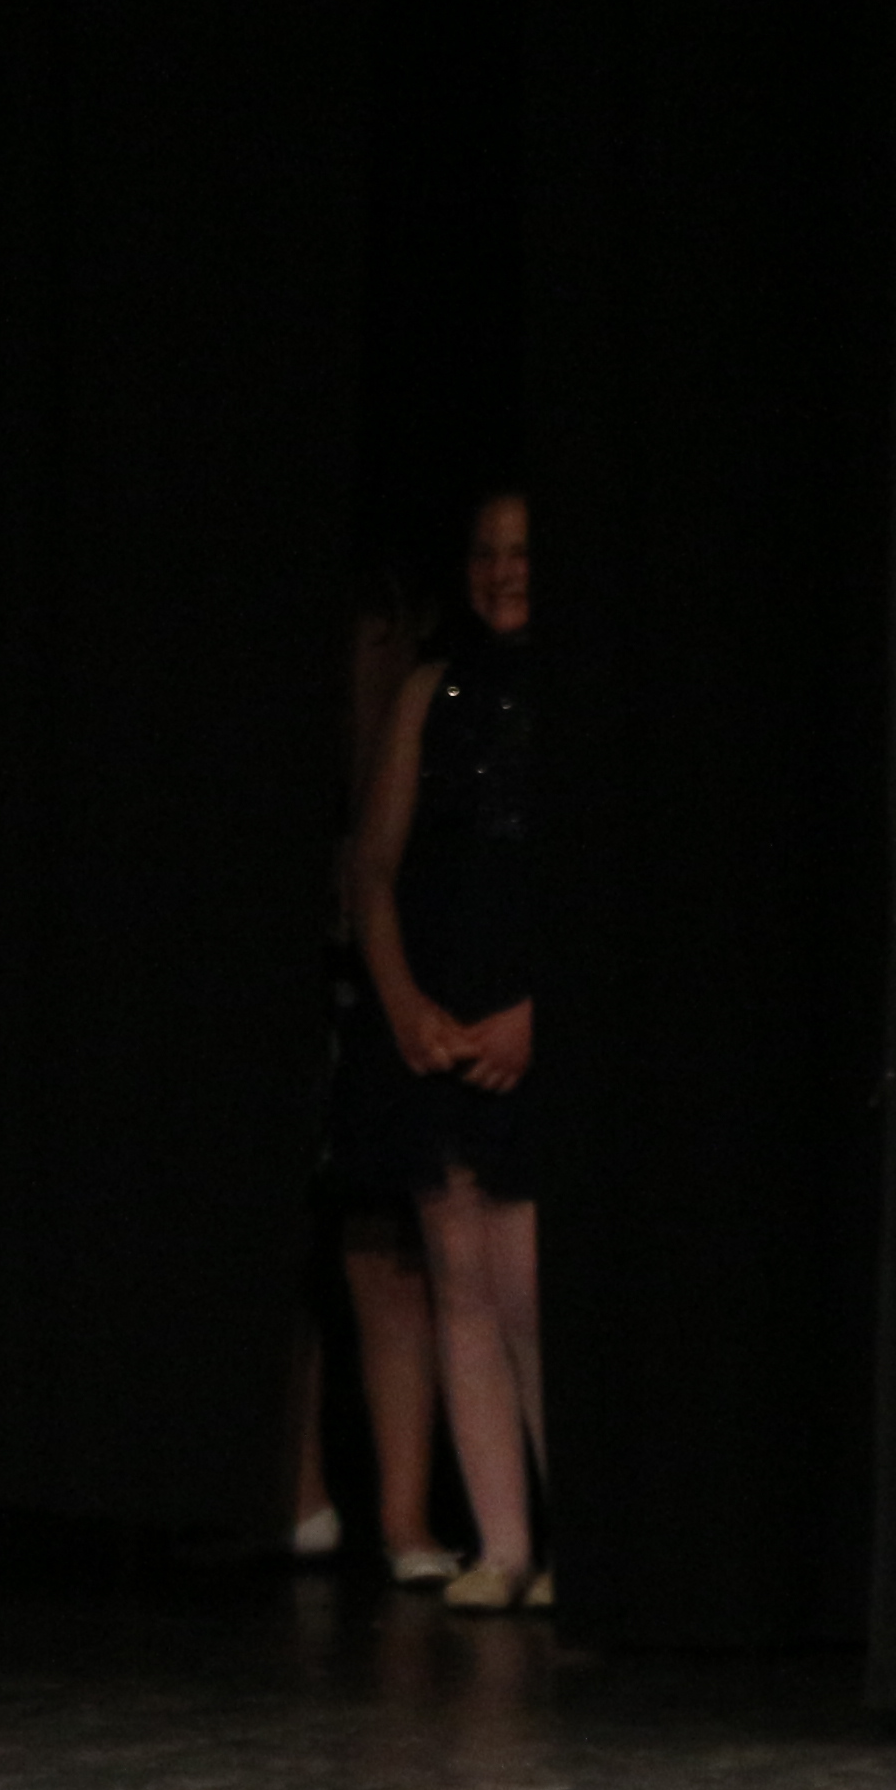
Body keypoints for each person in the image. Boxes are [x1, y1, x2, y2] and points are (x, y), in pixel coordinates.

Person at [355, 488, 545, 1613]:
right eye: (486, 551)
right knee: (460, 1277)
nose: (502, 569)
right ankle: (502, 1545)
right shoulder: (434, 690)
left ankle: (577, 1546)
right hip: (441, 1012)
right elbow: (376, 870)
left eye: (522, 551)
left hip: (526, 1018)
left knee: (527, 1288)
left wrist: (539, 1017)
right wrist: (400, 1001)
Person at [299, 556, 455, 1585]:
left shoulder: (429, 714)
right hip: (316, 998)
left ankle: (405, 1516)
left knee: (386, 1252)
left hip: (387, 1004)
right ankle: (300, 1493)